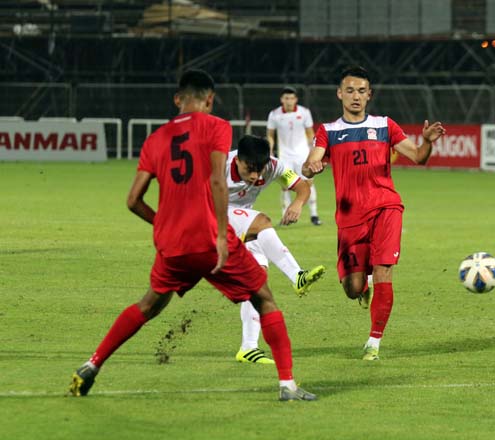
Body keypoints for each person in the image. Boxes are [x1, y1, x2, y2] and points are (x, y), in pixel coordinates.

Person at [68, 69, 316, 401]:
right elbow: (217, 180)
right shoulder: (216, 127)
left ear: (177, 99)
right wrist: (218, 235)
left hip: (172, 242)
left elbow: (132, 201)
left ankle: (91, 364)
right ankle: (287, 385)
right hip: (210, 236)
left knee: (148, 306)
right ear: (210, 100)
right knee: (264, 299)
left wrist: (162, 224)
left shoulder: (155, 140)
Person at [302, 65, 445, 361]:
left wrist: (427, 142)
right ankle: (362, 284)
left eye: (362, 91)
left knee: (384, 271)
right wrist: (311, 167)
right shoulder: (328, 131)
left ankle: (373, 343)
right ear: (340, 94)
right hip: (350, 218)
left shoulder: (385, 125)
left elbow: (417, 156)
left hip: (386, 207)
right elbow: (310, 163)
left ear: (370, 95)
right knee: (353, 289)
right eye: (350, 90)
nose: (356, 96)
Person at [228, 135, 325, 364]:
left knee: (257, 279)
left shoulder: (272, 165)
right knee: (262, 221)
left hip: (242, 220)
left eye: (259, 170)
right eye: (249, 169)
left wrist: (297, 203)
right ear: (237, 159)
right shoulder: (219, 166)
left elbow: (302, 186)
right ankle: (297, 276)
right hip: (212, 217)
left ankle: (248, 347)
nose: (255, 176)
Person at [267, 86, 322, 226]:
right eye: (286, 98)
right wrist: (270, 150)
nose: (289, 101)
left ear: (296, 99)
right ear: (282, 100)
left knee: (308, 183)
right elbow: (270, 135)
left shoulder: (304, 112)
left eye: (292, 98)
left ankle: (314, 215)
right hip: (285, 157)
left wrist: (313, 153)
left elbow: (310, 133)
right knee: (285, 186)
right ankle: (285, 216)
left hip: (302, 155)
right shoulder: (274, 114)